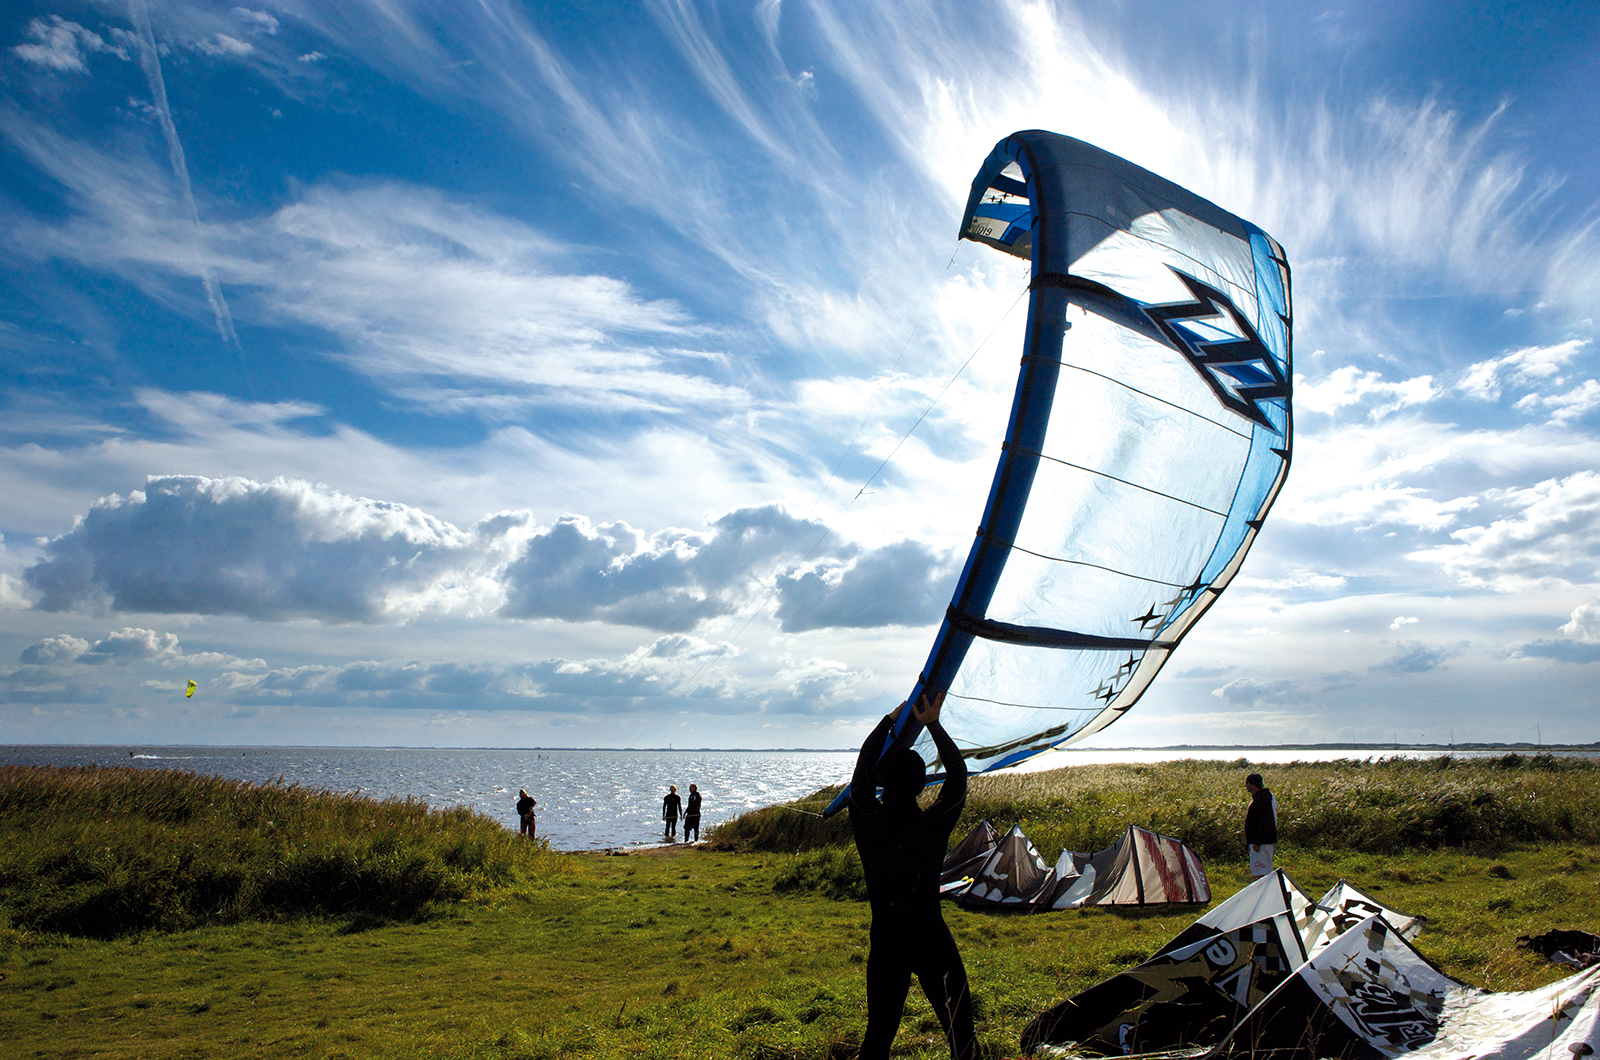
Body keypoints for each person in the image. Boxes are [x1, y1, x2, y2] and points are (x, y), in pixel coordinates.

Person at [849, 691, 976, 1060]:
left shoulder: (867, 820)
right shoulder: (932, 825)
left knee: (878, 1038)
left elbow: (862, 766)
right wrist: (932, 723)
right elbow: (957, 777)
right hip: (930, 933)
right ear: (922, 786)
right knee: (961, 1032)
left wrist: (889, 720)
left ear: (880, 783)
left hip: (888, 937)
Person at [1245, 772, 1278, 877]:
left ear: (1251, 784)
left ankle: (1261, 894)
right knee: (1266, 873)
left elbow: (1265, 822)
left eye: (1247, 783)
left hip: (1260, 844)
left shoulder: (1261, 800)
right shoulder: (1265, 797)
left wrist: (1257, 842)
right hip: (1264, 842)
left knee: (1258, 875)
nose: (1245, 786)